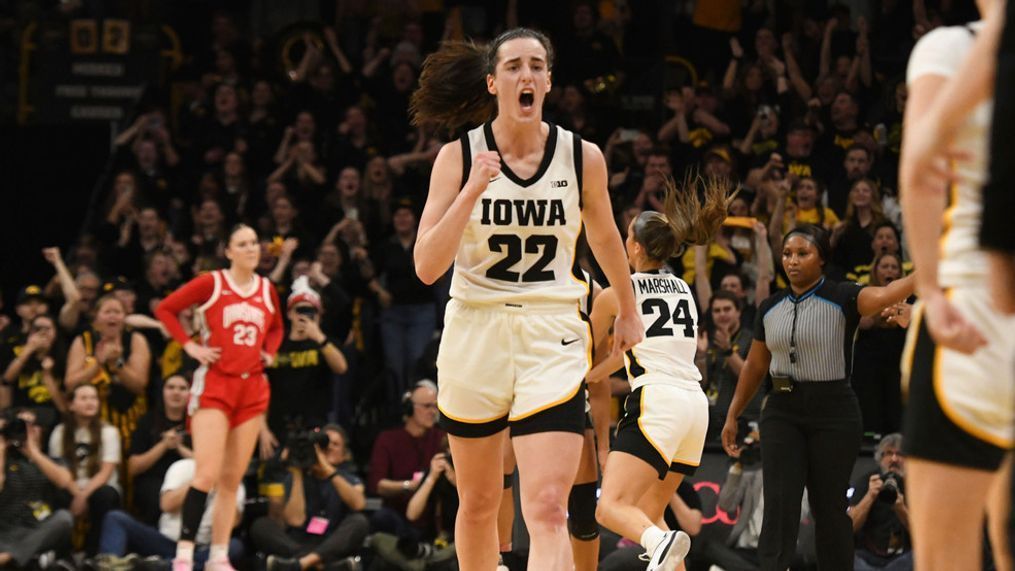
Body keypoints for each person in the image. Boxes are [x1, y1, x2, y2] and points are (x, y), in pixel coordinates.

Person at [409, 27, 643, 570]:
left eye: (537, 65)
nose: (527, 75)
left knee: (545, 507)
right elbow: (425, 266)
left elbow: (606, 237)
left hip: (551, 330)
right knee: (480, 504)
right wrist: (472, 190)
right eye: (514, 66)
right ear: (493, 83)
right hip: (475, 329)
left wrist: (627, 309)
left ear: (549, 80)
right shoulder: (457, 157)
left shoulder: (581, 156)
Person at [721, 224, 915, 570]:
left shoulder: (844, 297)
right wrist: (733, 412)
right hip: (781, 410)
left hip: (834, 412)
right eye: (787, 254)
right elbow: (753, 366)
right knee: (780, 504)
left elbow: (888, 294)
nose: (792, 261)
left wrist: (926, 270)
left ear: (822, 258)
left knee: (829, 509)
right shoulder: (769, 307)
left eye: (802, 253)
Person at [898, 3, 1014, 569]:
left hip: (975, 321)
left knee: (946, 561)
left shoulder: (952, 47)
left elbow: (920, 171)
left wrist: (935, 294)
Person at [591, 175, 731, 570]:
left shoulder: (619, 293)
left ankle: (661, 540)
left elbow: (586, 341)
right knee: (651, 513)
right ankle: (662, 541)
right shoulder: (683, 290)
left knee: (612, 509)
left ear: (634, 246)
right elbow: (641, 347)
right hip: (693, 408)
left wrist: (584, 370)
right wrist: (596, 375)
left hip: (657, 402)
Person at [155, 223, 284, 571]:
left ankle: (218, 556)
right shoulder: (212, 283)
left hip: (253, 388)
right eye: (242, 244)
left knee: (231, 481)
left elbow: (277, 328)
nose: (251, 248)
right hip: (215, 384)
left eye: (255, 242)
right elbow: (165, 309)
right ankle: (183, 553)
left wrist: (269, 352)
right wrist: (190, 346)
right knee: (206, 474)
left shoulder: (267, 289)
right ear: (228, 251)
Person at [250, 425, 367, 571]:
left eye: (335, 444)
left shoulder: (350, 479)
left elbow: (358, 504)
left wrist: (327, 469)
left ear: (344, 455)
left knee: (359, 521)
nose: (328, 447)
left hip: (333, 542)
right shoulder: (295, 478)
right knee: (261, 525)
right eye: (324, 443)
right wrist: (298, 472)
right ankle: (319, 564)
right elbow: (294, 520)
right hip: (297, 542)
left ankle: (298, 565)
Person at [96, 456, 245, 570]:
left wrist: (223, 490)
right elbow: (167, 505)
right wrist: (202, 482)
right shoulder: (182, 467)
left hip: (203, 547)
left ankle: (163, 566)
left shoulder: (233, 481)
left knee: (235, 546)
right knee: (115, 518)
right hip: (166, 541)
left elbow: (233, 524)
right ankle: (110, 565)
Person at [48, 384, 123, 555]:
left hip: (99, 487)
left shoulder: (109, 432)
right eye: (84, 398)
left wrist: (82, 496)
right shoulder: (60, 432)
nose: (90, 402)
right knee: (55, 494)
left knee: (106, 496)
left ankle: (95, 553)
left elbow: (106, 472)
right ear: (71, 405)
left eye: (94, 398)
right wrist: (76, 493)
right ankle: (61, 554)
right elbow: (58, 471)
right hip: (70, 485)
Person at [366, 381, 444, 536]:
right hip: (399, 516)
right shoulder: (388, 439)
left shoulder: (441, 438)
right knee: (382, 518)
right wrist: (409, 485)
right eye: (427, 406)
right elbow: (378, 485)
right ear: (409, 408)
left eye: (436, 406)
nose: (433, 412)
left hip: (433, 515)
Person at [0, 413, 75, 569]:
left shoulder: (52, 461)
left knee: (64, 518)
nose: (26, 431)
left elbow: (64, 481)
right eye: (21, 426)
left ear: (40, 430)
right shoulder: (6, 461)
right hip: (6, 531)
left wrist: (33, 452)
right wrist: (1, 449)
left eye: (30, 425)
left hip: (38, 530)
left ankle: (10, 557)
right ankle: (22, 558)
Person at [128, 374, 193, 525]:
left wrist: (179, 447)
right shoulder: (146, 421)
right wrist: (163, 445)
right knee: (154, 495)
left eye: (182, 388)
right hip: (153, 481)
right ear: (162, 391)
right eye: (171, 387)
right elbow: (133, 467)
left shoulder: (198, 423)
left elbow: (207, 464)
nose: (176, 392)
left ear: (190, 394)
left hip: (187, 482)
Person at [848, 434, 912, 570]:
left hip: (903, 557)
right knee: (846, 557)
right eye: (889, 453)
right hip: (867, 556)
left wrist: (901, 509)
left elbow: (923, 535)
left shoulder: (915, 486)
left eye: (900, 454)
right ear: (880, 458)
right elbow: (849, 527)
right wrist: (870, 496)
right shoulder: (866, 482)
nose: (894, 459)